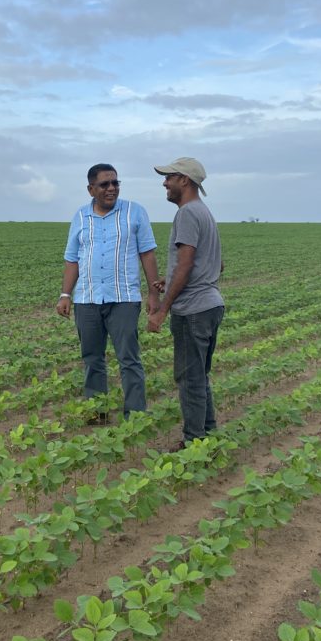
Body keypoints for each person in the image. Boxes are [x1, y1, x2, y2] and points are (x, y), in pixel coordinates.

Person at [57, 164, 161, 423]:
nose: (111, 188)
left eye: (115, 183)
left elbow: (147, 252)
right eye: (104, 184)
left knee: (129, 358)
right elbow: (72, 259)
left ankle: (135, 416)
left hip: (123, 298)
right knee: (92, 358)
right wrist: (65, 295)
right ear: (91, 189)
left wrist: (153, 293)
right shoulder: (80, 217)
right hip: (87, 299)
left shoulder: (135, 212)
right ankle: (97, 412)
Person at [147, 157, 224, 448]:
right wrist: (171, 278)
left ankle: (194, 443)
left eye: (169, 177)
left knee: (189, 378)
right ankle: (207, 434)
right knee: (199, 376)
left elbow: (187, 262)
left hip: (193, 310)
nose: (164, 183)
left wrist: (162, 309)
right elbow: (217, 264)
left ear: (185, 181)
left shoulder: (188, 214)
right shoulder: (204, 212)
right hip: (210, 304)